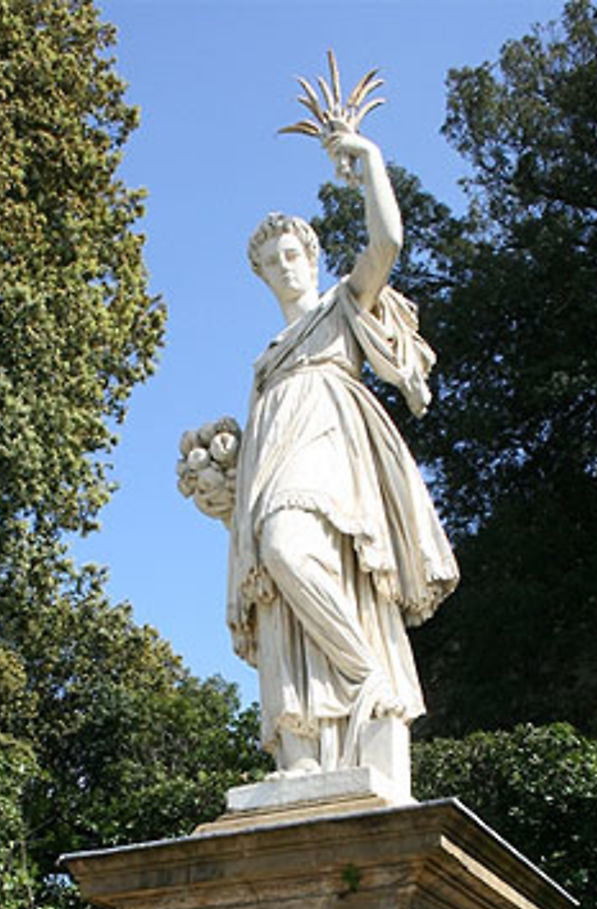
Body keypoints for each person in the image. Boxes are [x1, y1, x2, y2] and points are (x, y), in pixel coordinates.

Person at [227, 122, 458, 781]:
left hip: (330, 445)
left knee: (286, 548)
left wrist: (369, 161)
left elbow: (386, 242)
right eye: (270, 263)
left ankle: (364, 675)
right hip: (275, 458)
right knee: (277, 593)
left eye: (291, 254)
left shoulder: (341, 306)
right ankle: (307, 748)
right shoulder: (266, 361)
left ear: (313, 254)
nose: (283, 268)